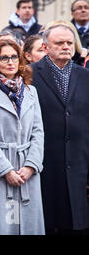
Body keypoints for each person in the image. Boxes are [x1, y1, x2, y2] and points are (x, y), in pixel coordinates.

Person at [0, 39, 45, 235]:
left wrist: (31, 165)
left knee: (28, 226)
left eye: (14, 56)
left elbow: (38, 131)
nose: (10, 62)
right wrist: (6, 170)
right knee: (0, 227)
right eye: (4, 57)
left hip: (26, 171)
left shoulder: (31, 91)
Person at [31, 24, 89, 234]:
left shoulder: (85, 76)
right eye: (59, 43)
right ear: (45, 48)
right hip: (44, 166)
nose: (66, 46)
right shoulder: (29, 76)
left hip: (79, 168)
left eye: (69, 42)